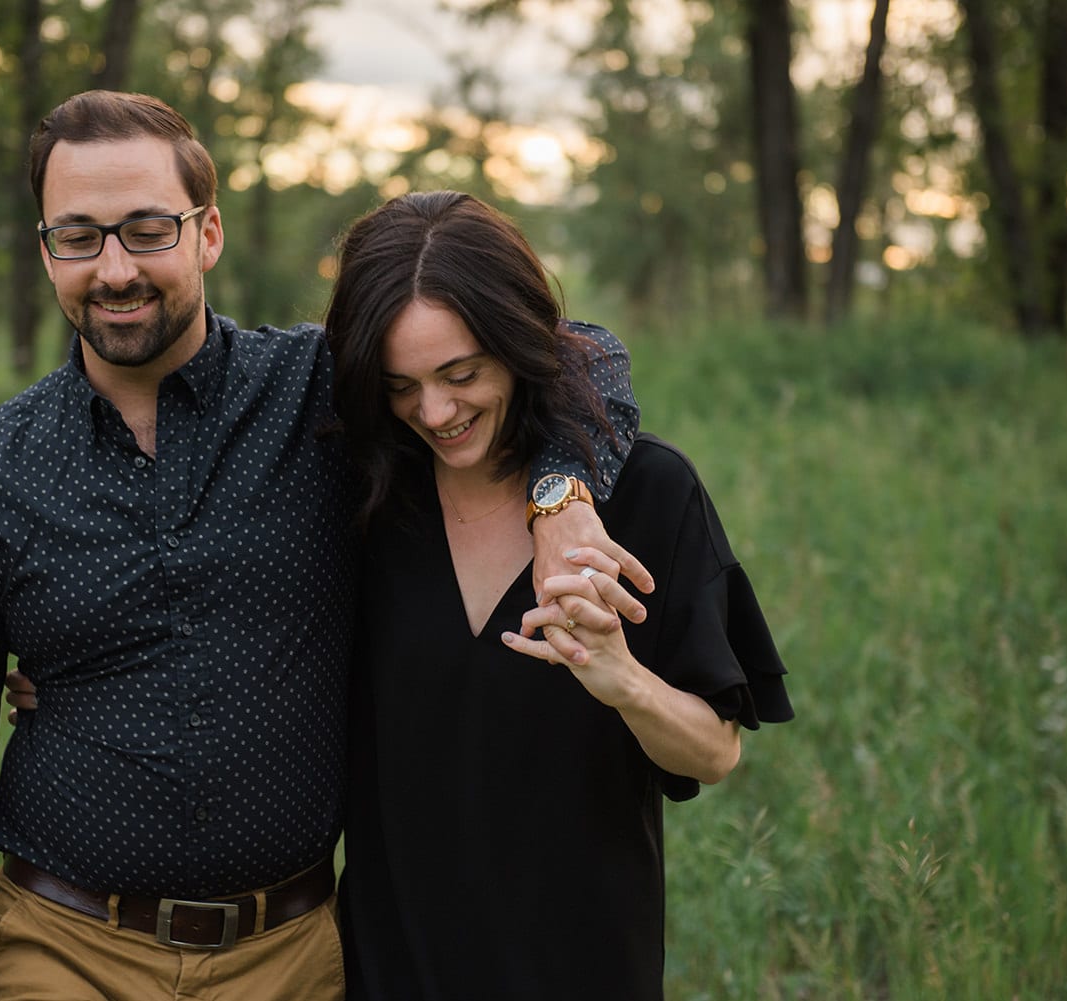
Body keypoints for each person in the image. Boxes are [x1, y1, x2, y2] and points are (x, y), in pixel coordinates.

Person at [0, 91, 647, 1001]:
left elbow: (580, 352)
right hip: (65, 943)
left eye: (148, 229)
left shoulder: (320, 397)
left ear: (209, 233)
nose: (114, 269)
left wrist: (561, 498)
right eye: (78, 237)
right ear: (46, 249)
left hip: (290, 952)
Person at [322, 190, 795, 1001]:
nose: (434, 412)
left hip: (584, 968)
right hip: (390, 969)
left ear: (517, 343)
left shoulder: (648, 493)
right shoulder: (360, 500)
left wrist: (627, 683)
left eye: (462, 374)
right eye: (401, 385)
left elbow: (715, 751)